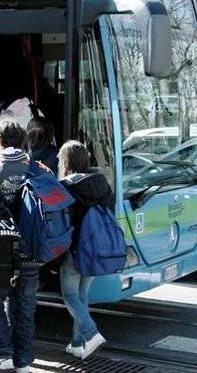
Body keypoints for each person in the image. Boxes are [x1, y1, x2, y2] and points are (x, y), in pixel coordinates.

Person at [0, 120, 44, 373]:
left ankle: (3, 354)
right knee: (25, 306)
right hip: (31, 248)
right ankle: (23, 362)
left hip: (0, 249)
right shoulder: (39, 168)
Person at [57, 140, 110, 360]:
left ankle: (91, 332)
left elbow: (63, 222)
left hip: (75, 249)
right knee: (81, 294)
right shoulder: (102, 183)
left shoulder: (66, 186)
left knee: (69, 294)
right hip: (98, 249)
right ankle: (78, 344)